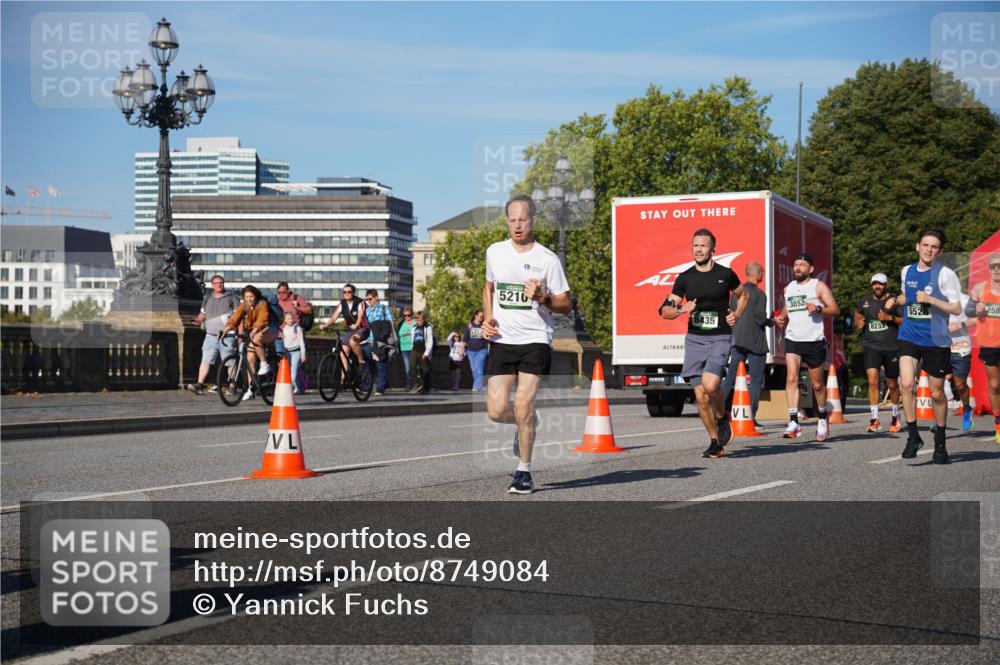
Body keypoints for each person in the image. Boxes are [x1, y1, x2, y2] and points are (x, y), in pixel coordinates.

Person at [483, 195, 571, 494]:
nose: (518, 225)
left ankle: (523, 472)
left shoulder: (547, 259)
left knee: (522, 404)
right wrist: (488, 317)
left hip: (535, 340)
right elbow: (489, 287)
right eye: (513, 220)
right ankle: (526, 422)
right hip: (502, 340)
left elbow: (565, 305)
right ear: (507, 222)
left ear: (533, 220)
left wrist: (543, 297)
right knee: (496, 411)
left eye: (523, 219)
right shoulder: (495, 252)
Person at [659, 228, 747, 459]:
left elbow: (743, 294)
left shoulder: (726, 274)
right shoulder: (685, 278)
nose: (698, 249)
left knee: (710, 384)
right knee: (700, 397)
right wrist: (681, 309)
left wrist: (736, 314)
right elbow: (665, 311)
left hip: (720, 337)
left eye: (703, 245)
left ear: (712, 249)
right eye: (695, 245)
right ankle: (715, 442)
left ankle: (722, 417)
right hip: (695, 341)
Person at [891, 228, 962, 464]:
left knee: (936, 393)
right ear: (917, 247)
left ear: (940, 251)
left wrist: (931, 299)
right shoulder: (907, 271)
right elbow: (908, 296)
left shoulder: (945, 275)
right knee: (906, 383)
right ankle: (913, 436)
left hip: (936, 339)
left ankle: (940, 440)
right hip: (909, 335)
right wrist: (898, 299)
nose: (929, 250)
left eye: (934, 246)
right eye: (925, 245)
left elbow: (956, 308)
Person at [774, 253, 840, 442]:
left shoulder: (818, 286)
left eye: (802, 264)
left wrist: (818, 309)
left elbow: (835, 309)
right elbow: (788, 308)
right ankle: (793, 421)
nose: (797, 267)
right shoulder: (789, 288)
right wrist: (782, 316)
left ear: (810, 269)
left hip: (814, 340)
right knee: (791, 378)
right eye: (795, 264)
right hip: (793, 338)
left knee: (817, 385)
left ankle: (822, 417)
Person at [721, 261, 772, 427]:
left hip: (738, 341)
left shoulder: (736, 293)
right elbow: (760, 319)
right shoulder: (760, 294)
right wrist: (772, 321)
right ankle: (750, 416)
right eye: (762, 272)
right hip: (756, 343)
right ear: (758, 273)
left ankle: (718, 411)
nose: (763, 275)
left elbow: (731, 313)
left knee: (730, 378)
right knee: (756, 381)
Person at [854, 273, 902, 433]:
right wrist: (858, 323)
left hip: (891, 347)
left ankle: (895, 415)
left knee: (892, 384)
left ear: (886, 285)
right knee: (873, 381)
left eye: (880, 284)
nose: (877, 286)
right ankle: (874, 419)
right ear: (871, 285)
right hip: (871, 346)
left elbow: (905, 320)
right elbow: (857, 318)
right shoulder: (864, 301)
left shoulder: (894, 300)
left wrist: (889, 318)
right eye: (874, 283)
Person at [220, 285, 276, 400]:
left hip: (271, 328)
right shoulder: (244, 305)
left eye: (251, 296)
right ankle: (251, 388)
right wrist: (226, 329)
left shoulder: (262, 304)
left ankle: (264, 364)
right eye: (246, 297)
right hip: (256, 331)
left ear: (256, 296)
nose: (249, 299)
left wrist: (255, 330)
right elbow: (235, 318)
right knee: (250, 359)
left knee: (256, 339)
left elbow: (263, 319)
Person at [967, 252, 1000, 443]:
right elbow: (968, 311)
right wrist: (975, 309)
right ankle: (998, 424)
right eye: (993, 266)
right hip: (989, 343)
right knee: (994, 385)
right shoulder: (980, 288)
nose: (997, 269)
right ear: (989, 268)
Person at [187, 274, 240, 395]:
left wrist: (239, 333)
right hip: (210, 335)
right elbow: (203, 314)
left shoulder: (232, 297)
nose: (219, 285)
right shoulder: (207, 298)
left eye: (221, 282)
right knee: (205, 360)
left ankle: (232, 386)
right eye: (216, 283)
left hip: (227, 336)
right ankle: (199, 385)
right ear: (212, 285)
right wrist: (198, 320)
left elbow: (238, 316)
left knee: (230, 362)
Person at [319, 283, 368, 376]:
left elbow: (360, 317)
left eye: (349, 292)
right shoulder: (342, 304)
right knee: (343, 351)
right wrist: (326, 325)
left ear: (353, 292)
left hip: (362, 328)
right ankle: (344, 378)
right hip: (350, 330)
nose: (346, 294)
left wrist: (356, 325)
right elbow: (334, 317)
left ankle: (361, 361)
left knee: (353, 341)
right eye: (344, 292)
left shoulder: (360, 302)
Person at [947, 292, 976, 432]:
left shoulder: (964, 299)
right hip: (940, 347)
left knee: (960, 384)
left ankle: (966, 408)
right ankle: (939, 421)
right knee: (937, 385)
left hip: (960, 347)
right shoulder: (934, 298)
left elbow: (977, 319)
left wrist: (960, 324)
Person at [364, 289, 396, 396]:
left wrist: (391, 340)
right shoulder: (367, 311)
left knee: (381, 363)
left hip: (381, 340)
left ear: (376, 297)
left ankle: (380, 388)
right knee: (365, 360)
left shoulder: (383, 308)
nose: (368, 301)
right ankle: (366, 386)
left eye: (370, 299)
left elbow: (392, 323)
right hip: (369, 340)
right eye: (367, 299)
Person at [281, 311, 307, 394]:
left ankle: (291, 386)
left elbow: (301, 342)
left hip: (296, 351)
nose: (291, 320)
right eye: (288, 319)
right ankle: (297, 387)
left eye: (292, 318)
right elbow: (285, 340)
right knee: (290, 369)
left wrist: (303, 355)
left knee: (294, 368)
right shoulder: (284, 329)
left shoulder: (297, 328)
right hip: (288, 352)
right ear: (285, 320)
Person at [409, 311, 434, 394]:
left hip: (423, 350)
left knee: (425, 370)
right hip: (415, 349)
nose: (420, 321)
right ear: (416, 320)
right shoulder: (414, 327)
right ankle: (417, 383)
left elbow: (430, 341)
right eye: (418, 319)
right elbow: (412, 338)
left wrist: (427, 353)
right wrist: (412, 347)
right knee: (412, 365)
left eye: (422, 319)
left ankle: (426, 388)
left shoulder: (428, 327)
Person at [464, 310, 489, 392]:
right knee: (474, 369)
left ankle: (478, 386)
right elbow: (465, 338)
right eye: (480, 316)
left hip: (482, 349)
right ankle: (478, 385)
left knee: (479, 366)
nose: (482, 318)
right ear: (476, 316)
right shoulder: (470, 325)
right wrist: (462, 347)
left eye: (483, 316)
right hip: (471, 350)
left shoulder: (484, 325)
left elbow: (488, 337)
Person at [397, 307, 416, 389]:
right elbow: (398, 334)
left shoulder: (415, 323)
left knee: (413, 366)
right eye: (405, 315)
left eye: (409, 315)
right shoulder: (401, 323)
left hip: (413, 347)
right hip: (404, 348)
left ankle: (416, 383)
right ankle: (409, 384)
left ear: (412, 315)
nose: (407, 317)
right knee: (407, 367)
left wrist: (406, 333)